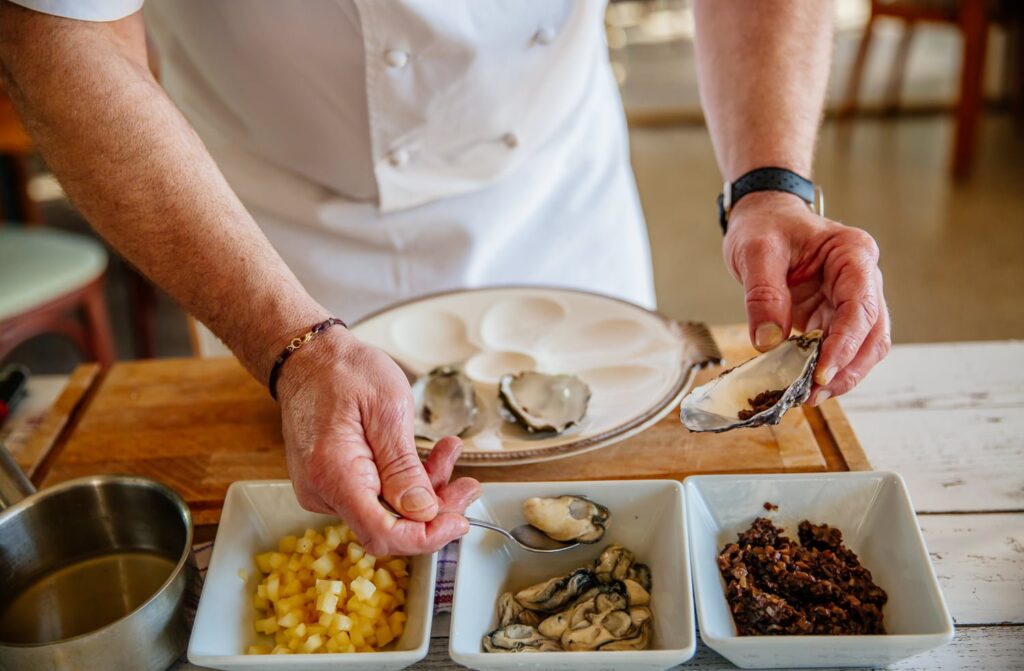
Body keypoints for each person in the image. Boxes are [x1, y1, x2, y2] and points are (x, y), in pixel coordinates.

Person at [0, 1, 890, 556]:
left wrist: (772, 184)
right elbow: (59, 30)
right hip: (262, 230)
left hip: (556, 196)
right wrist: (288, 346)